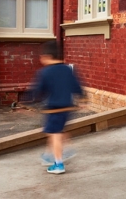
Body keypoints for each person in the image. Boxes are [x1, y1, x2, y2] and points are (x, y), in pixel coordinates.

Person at [31, 41, 84, 174]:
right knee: (55, 131)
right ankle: (52, 154)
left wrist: (26, 103)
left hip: (54, 108)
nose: (41, 59)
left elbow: (37, 90)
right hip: (67, 108)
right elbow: (77, 86)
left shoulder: (45, 72)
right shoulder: (68, 69)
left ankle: (59, 164)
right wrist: (83, 99)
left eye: (42, 57)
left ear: (48, 56)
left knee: (55, 134)